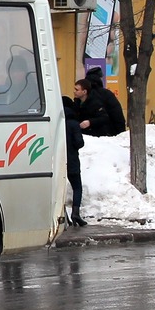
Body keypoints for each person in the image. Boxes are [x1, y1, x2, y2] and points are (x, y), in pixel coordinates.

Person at [62, 94, 87, 227]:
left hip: (59, 161)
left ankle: (63, 215)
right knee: (77, 187)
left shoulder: (57, 123)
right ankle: (75, 213)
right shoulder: (73, 123)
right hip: (72, 161)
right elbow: (79, 143)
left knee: (60, 189)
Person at [84, 66, 126, 135]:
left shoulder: (85, 95)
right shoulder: (106, 94)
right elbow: (117, 115)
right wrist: (120, 132)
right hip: (108, 132)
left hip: (90, 132)